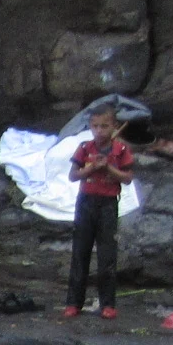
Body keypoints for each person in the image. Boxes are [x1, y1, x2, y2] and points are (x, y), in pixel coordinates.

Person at [65, 105, 136, 320]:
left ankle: (108, 304)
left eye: (104, 126)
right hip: (85, 202)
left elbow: (127, 178)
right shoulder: (85, 148)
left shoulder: (121, 150)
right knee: (80, 253)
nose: (99, 131)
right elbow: (73, 176)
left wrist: (108, 168)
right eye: (95, 126)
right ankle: (73, 303)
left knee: (107, 256)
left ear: (114, 127)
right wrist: (91, 168)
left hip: (107, 204)